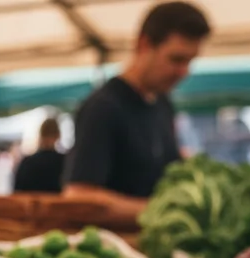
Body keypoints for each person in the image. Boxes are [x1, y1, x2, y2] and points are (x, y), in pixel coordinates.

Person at [63, 1, 210, 219]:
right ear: (144, 45)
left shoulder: (163, 104)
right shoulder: (104, 107)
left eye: (190, 61)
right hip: (114, 246)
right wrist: (162, 211)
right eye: (176, 59)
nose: (184, 71)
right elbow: (78, 197)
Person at [14, 118, 66, 193]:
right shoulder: (65, 162)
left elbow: (17, 191)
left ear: (40, 134)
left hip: (31, 204)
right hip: (57, 204)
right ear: (58, 135)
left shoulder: (27, 162)